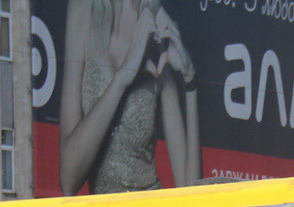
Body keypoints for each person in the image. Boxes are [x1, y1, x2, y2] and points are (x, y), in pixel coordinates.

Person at [60, 0, 200, 195]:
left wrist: (190, 81)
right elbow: (68, 181)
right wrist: (122, 80)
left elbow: (190, 191)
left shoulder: (157, 24)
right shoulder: (82, 9)